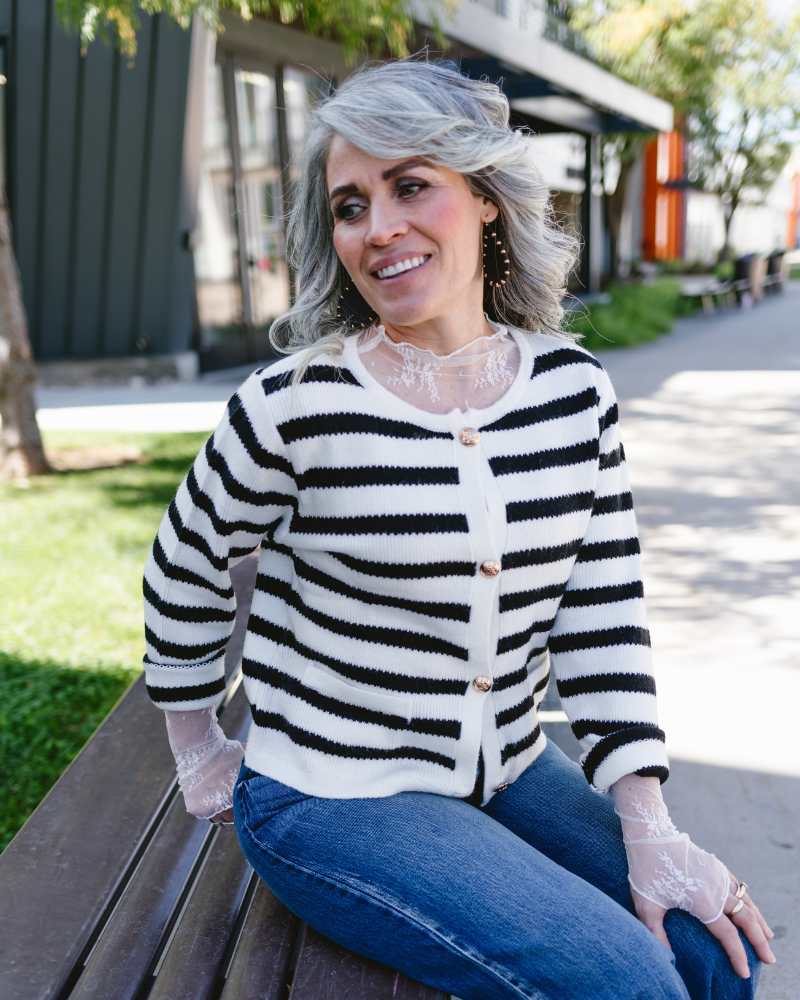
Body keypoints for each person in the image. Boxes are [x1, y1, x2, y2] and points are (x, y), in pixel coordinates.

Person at [143, 60, 774, 1000]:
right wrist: (198, 748)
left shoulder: (572, 392)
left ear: (484, 197)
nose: (378, 227)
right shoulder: (295, 404)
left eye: (410, 186)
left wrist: (650, 826)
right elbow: (185, 562)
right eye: (350, 205)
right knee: (630, 985)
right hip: (333, 799)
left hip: (508, 766)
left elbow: (601, 617)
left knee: (718, 959)